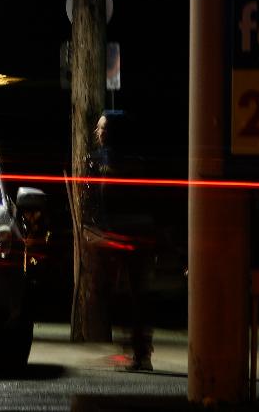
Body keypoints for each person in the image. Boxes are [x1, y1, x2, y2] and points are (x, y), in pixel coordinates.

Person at [87, 111, 155, 372]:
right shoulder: (100, 160)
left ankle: (140, 351)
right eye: (98, 129)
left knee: (134, 295)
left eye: (103, 129)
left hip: (132, 236)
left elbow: (136, 198)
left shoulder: (129, 161)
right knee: (122, 295)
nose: (98, 133)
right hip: (117, 236)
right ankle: (137, 348)